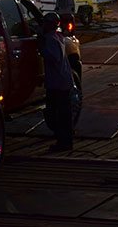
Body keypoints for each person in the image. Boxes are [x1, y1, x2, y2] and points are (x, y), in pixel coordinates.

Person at [38, 12, 74, 152]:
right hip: (63, 81)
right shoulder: (59, 37)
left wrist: (41, 47)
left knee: (56, 113)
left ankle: (63, 142)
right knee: (64, 113)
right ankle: (66, 140)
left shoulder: (51, 39)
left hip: (57, 83)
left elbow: (54, 57)